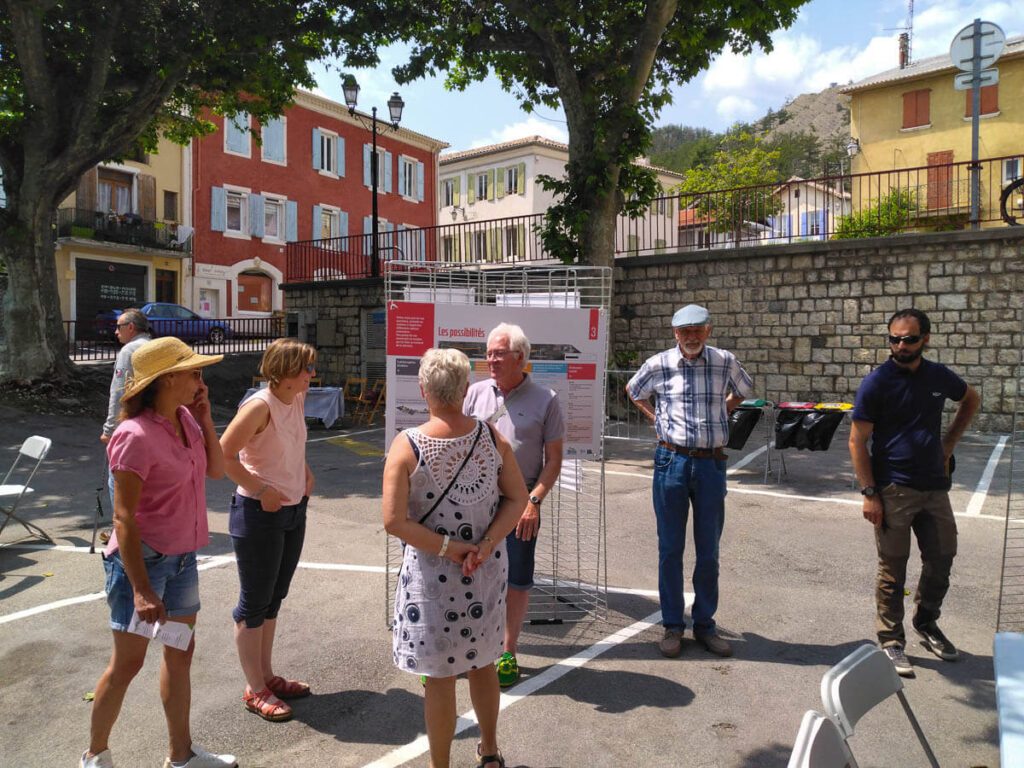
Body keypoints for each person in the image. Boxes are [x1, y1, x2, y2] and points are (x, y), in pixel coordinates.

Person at [81, 337, 235, 768]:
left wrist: (205, 417)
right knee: (128, 664)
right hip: (142, 566)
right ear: (168, 379)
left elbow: (217, 470)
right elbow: (124, 518)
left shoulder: (186, 417)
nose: (200, 381)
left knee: (180, 653)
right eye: (193, 373)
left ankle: (181, 756)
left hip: (183, 560)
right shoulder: (134, 435)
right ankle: (94, 755)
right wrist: (143, 590)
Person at [383, 348, 527, 768]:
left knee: (440, 680)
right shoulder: (492, 437)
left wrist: (449, 547)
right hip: (484, 571)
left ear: (423, 390)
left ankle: (441, 766)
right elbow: (517, 498)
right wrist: (484, 545)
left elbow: (393, 521)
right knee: (483, 664)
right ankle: (490, 750)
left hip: (432, 578)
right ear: (465, 389)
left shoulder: (406, 445)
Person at [849, 308, 980, 677]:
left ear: (925, 338)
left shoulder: (939, 376)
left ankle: (927, 622)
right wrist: (869, 492)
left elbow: (971, 399)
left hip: (935, 488)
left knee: (942, 559)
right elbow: (857, 440)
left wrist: (949, 442)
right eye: (894, 338)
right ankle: (891, 640)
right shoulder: (877, 382)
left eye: (908, 338)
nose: (900, 345)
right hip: (893, 488)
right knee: (893, 569)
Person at [626, 304, 752, 659]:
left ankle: (705, 625)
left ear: (708, 331)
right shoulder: (659, 364)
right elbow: (633, 390)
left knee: (708, 549)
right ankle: (671, 625)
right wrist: (657, 417)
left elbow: (743, 389)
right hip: (671, 460)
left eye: (698, 330)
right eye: (685, 331)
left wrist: (721, 411)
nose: (692, 337)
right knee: (670, 548)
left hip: (711, 464)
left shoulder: (724, 361)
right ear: (675, 334)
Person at [220, 339, 317, 722]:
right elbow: (225, 455)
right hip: (259, 512)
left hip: (293, 509)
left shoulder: (296, 399)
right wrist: (262, 490)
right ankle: (255, 688)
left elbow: (293, 444)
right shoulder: (259, 406)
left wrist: (304, 471)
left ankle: (266, 677)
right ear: (285, 370)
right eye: (306, 367)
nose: (312, 373)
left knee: (274, 597)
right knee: (254, 602)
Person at [462, 323, 563, 686]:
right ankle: (468, 647)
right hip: (472, 504)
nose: (490, 359)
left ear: (520, 357)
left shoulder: (546, 399)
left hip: (520, 507)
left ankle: (508, 652)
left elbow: (553, 461)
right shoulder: (474, 393)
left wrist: (533, 501)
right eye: (488, 352)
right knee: (471, 574)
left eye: (498, 353)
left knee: (516, 581)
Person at [100, 309, 152, 525]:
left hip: (131, 423)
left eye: (119, 326)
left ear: (131, 327)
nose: (116, 332)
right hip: (154, 423)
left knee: (119, 479)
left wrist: (109, 429)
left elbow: (119, 391)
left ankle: (122, 529)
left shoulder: (129, 350)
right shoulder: (154, 346)